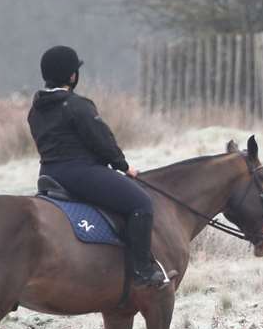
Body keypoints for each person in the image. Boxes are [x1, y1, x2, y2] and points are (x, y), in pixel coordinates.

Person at [27, 45, 167, 286]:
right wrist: (123, 166)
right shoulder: (77, 105)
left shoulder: (35, 110)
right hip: (80, 173)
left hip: (49, 174)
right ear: (72, 76)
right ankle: (142, 271)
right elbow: (102, 142)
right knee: (142, 202)